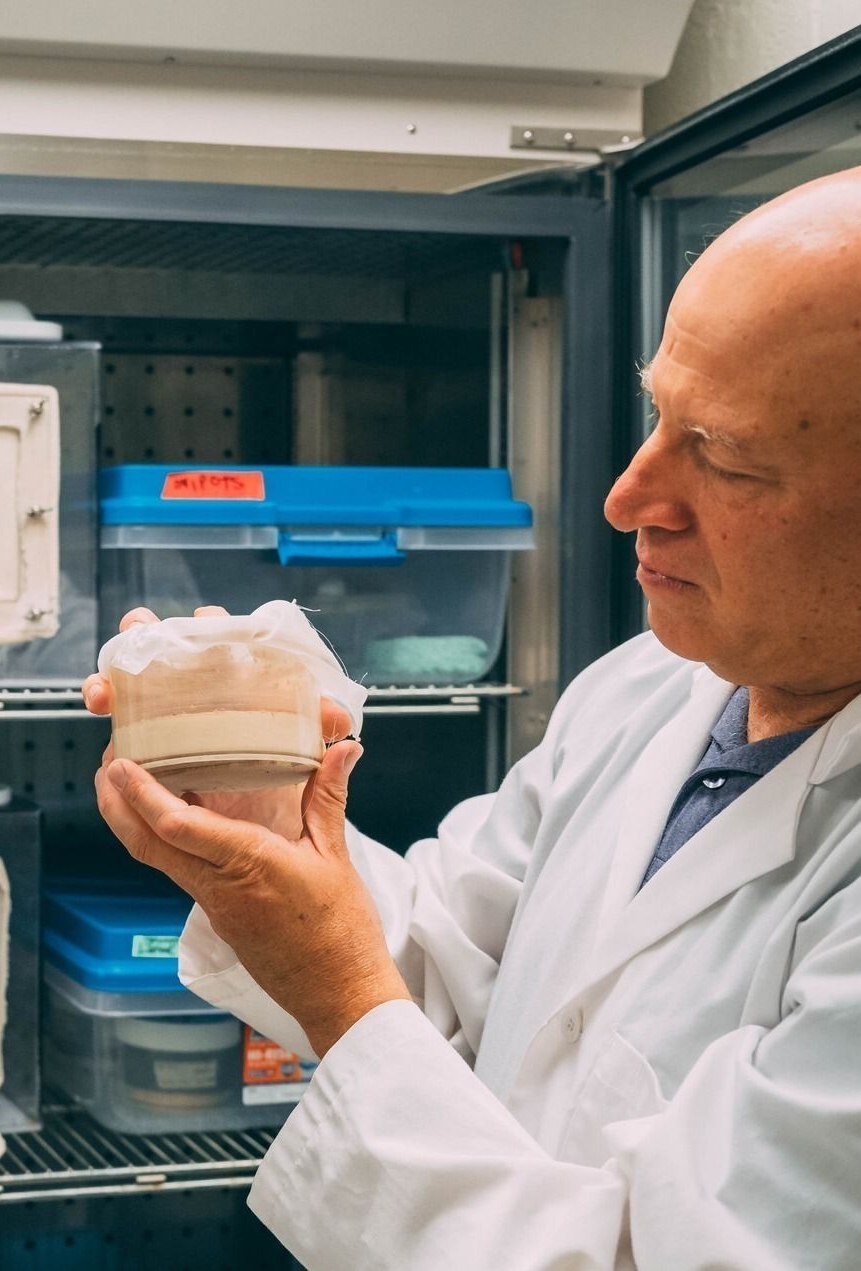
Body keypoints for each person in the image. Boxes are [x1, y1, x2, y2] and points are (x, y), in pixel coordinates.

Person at [86, 166, 861, 1267]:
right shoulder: (652, 686)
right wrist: (261, 818)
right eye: (657, 416)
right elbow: (453, 967)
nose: (627, 497)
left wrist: (343, 996)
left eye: (725, 458)